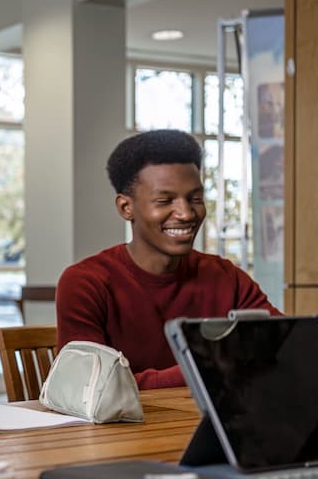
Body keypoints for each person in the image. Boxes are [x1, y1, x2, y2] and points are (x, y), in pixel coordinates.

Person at [56, 129, 280, 390]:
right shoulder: (85, 283)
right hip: (119, 430)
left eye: (195, 198)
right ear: (125, 208)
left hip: (212, 426)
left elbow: (283, 346)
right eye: (164, 200)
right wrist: (210, 367)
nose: (186, 213)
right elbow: (87, 387)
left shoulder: (226, 276)